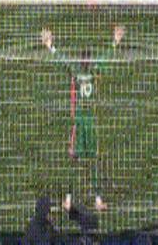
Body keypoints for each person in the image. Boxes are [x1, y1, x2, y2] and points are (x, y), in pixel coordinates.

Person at [41, 21, 125, 211]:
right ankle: (81, 199)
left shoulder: (81, 71)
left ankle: (84, 199)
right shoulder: (89, 71)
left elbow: (64, 60)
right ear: (86, 61)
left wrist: (50, 45)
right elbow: (103, 58)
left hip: (83, 122)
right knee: (83, 159)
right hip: (84, 122)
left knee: (84, 159)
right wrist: (115, 41)